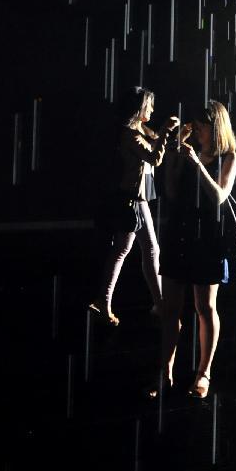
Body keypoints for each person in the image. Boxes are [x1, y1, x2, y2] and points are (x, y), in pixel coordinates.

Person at [153, 100, 236, 399]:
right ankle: (165, 370)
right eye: (197, 126)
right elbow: (172, 192)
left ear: (215, 127)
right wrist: (175, 158)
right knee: (170, 308)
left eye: (202, 127)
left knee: (205, 307)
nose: (198, 131)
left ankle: (204, 372)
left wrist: (198, 163)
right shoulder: (188, 153)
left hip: (208, 238)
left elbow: (218, 197)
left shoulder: (229, 157)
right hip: (180, 232)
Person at [89, 86, 178, 325]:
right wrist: (165, 131)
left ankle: (152, 304)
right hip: (132, 200)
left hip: (137, 200)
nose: (152, 108)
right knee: (138, 251)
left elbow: (160, 144)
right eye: (149, 104)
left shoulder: (140, 130)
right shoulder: (130, 134)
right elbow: (154, 158)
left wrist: (175, 134)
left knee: (138, 251)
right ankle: (156, 305)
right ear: (139, 108)